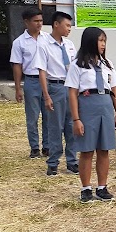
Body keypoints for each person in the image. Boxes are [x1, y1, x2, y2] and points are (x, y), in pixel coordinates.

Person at [66, 27, 116, 203]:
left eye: (105, 41)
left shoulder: (107, 64)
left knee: (104, 149)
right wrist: (76, 119)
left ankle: (102, 187)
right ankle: (86, 188)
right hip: (87, 106)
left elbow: (114, 90)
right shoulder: (77, 65)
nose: (103, 44)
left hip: (105, 105)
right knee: (87, 150)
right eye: (100, 40)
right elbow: (73, 93)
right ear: (90, 42)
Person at [35, 11, 78, 176]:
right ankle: (53, 162)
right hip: (56, 87)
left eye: (70, 26)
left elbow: (75, 68)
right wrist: (46, 96)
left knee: (72, 125)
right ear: (56, 24)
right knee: (55, 127)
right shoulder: (44, 45)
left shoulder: (70, 45)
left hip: (70, 87)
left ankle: (72, 161)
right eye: (67, 25)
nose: (69, 29)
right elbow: (42, 71)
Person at [10, 7, 49, 158]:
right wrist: (18, 88)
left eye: (41, 21)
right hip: (31, 81)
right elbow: (17, 66)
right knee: (32, 117)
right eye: (36, 21)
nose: (39, 24)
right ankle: (34, 147)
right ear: (26, 22)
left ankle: (47, 146)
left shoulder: (47, 38)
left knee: (49, 115)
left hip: (47, 81)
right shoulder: (19, 42)